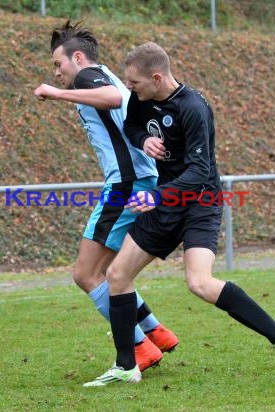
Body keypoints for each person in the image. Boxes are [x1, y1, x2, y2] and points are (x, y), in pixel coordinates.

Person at [83, 42, 275, 387]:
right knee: (117, 275)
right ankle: (126, 366)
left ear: (156, 77)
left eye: (134, 83)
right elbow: (130, 127)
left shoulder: (194, 108)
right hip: (166, 203)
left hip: (200, 202)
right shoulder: (143, 101)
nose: (130, 89)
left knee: (199, 282)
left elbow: (200, 171)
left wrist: (156, 194)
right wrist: (143, 141)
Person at [33, 22, 178, 372]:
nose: (57, 71)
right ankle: (155, 331)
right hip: (140, 181)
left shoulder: (88, 78)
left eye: (59, 64)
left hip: (126, 184)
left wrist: (57, 92)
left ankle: (140, 349)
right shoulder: (106, 73)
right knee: (111, 271)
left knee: (85, 274)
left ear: (77, 57)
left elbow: (113, 99)